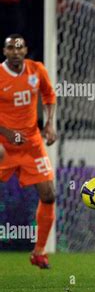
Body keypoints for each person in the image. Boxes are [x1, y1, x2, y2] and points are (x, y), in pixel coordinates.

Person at [0, 34, 57, 268]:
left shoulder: (36, 70)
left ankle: (39, 252)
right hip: (3, 145)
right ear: (4, 52)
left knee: (49, 194)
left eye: (20, 47)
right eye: (11, 48)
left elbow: (49, 95)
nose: (16, 52)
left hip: (32, 145)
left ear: (25, 50)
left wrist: (50, 123)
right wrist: (7, 134)